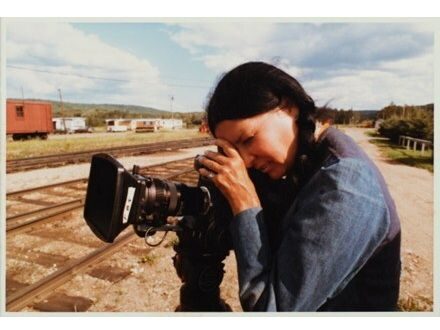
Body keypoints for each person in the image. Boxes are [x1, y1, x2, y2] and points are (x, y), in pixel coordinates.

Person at [196, 61, 401, 311]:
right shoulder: (313, 161)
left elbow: (270, 310)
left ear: (288, 107)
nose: (246, 161)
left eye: (249, 139)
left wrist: (245, 202)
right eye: (235, 152)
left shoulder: (344, 185)